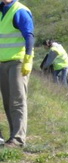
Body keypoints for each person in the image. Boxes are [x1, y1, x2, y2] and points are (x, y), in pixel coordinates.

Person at [0, 0, 34, 148]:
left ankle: (18, 139)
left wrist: (28, 59)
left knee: (17, 99)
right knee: (7, 101)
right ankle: (12, 137)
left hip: (17, 62)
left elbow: (29, 36)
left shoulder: (19, 11)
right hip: (2, 62)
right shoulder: (1, 10)